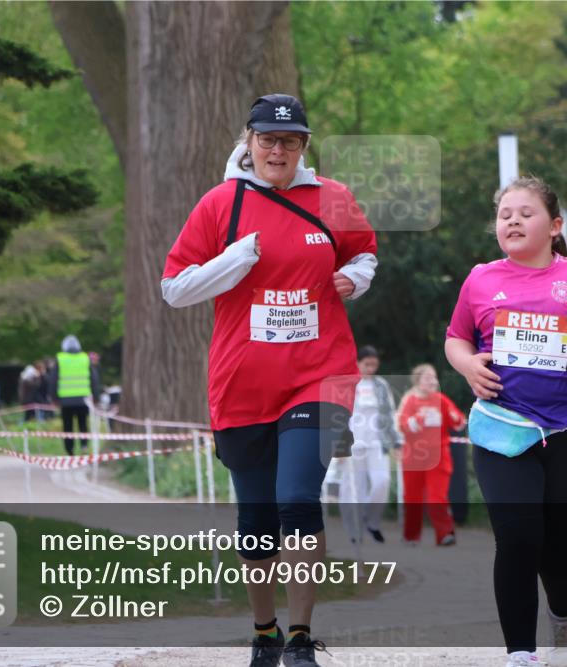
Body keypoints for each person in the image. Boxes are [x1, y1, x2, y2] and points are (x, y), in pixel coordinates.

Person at [161, 93, 377, 667]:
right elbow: (175, 288)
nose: (277, 150)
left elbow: (364, 254)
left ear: (304, 145)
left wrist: (355, 278)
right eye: (267, 139)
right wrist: (235, 260)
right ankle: (264, 632)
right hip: (241, 385)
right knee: (256, 518)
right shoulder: (219, 204)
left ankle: (302, 637)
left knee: (297, 500)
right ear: (248, 141)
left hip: (319, 375)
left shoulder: (333, 199)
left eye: (289, 141)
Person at [444, 176, 567, 667]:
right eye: (504, 213)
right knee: (516, 538)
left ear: (554, 226)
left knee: (558, 554)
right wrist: (468, 365)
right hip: (501, 427)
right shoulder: (480, 279)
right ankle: (521, 654)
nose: (511, 220)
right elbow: (456, 340)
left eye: (525, 212)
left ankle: (564, 612)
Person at [335, 345, 401, 544]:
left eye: (374, 365)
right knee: (353, 488)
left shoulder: (381, 385)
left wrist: (396, 442)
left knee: (382, 482)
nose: (371, 369)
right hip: (352, 444)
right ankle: (353, 528)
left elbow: (389, 414)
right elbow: (337, 417)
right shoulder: (347, 384)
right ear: (357, 363)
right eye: (367, 364)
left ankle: (371, 520)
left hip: (376, 443)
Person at [396, 364, 466, 547]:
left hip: (439, 456)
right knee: (412, 498)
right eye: (427, 377)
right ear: (417, 381)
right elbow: (402, 425)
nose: (433, 381)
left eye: (434, 377)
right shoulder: (410, 401)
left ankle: (444, 535)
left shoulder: (441, 400)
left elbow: (458, 423)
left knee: (437, 497)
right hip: (414, 457)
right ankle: (411, 536)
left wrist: (456, 417)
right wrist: (418, 420)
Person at [49, 335, 100, 455]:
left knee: (68, 426)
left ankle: (69, 449)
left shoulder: (60, 358)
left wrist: (54, 398)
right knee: (83, 424)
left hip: (65, 400)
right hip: (83, 399)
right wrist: (96, 397)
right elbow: (94, 379)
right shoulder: (85, 358)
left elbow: (53, 380)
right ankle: (83, 445)